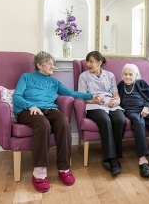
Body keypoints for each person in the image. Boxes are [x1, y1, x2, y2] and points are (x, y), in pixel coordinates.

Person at [12, 51, 102, 193]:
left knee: (63, 122)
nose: (52, 67)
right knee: (42, 124)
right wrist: (30, 106)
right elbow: (16, 96)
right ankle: (39, 173)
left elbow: (71, 93)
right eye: (49, 64)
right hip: (28, 110)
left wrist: (92, 95)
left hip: (49, 109)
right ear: (39, 65)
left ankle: (64, 168)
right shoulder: (26, 77)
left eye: (53, 64)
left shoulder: (54, 82)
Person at [78, 51, 126, 176]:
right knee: (105, 121)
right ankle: (111, 159)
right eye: (87, 61)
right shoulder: (83, 76)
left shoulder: (110, 76)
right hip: (94, 105)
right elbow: (82, 96)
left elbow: (116, 95)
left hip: (110, 104)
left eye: (91, 61)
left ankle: (114, 154)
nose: (88, 64)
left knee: (121, 120)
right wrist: (94, 99)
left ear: (99, 63)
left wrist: (116, 102)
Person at [117, 63, 149, 177]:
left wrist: (147, 107)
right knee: (138, 123)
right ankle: (143, 160)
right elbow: (116, 97)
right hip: (131, 110)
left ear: (136, 74)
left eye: (130, 74)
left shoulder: (141, 82)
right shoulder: (120, 85)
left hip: (147, 108)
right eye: (125, 74)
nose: (127, 76)